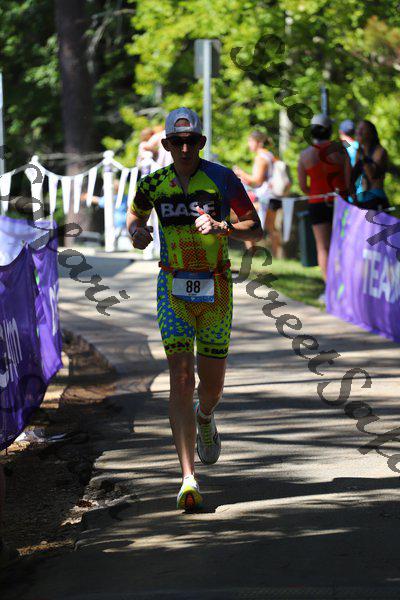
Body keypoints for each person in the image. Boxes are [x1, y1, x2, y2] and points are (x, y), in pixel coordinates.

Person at [127, 107, 262, 511]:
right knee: (181, 379)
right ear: (166, 144)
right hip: (172, 287)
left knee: (211, 387)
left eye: (192, 142)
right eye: (177, 142)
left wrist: (224, 227)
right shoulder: (153, 183)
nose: (185, 148)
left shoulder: (222, 178)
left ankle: (205, 416)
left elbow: (256, 227)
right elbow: (134, 216)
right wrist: (137, 232)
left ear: (201, 143)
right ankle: (188, 477)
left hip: (216, 288)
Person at [297, 114, 351, 285]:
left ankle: (330, 288)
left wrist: (316, 193)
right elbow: (349, 181)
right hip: (340, 202)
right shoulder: (340, 150)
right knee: (342, 244)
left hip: (318, 203)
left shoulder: (305, 155)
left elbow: (303, 186)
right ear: (329, 130)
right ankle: (345, 285)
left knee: (323, 247)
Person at [234, 131, 282, 257]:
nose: (249, 144)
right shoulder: (270, 155)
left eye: (250, 141)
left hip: (264, 198)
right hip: (274, 196)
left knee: (246, 221)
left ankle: (251, 254)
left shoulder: (260, 157)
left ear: (259, 142)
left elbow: (256, 181)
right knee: (272, 228)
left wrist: (240, 173)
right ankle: (277, 256)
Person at [351, 120, 390, 211]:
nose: (358, 132)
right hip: (363, 198)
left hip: (377, 198)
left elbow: (371, 175)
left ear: (371, 134)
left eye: (362, 129)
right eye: (358, 129)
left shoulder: (380, 151)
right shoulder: (360, 152)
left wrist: (363, 156)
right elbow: (353, 178)